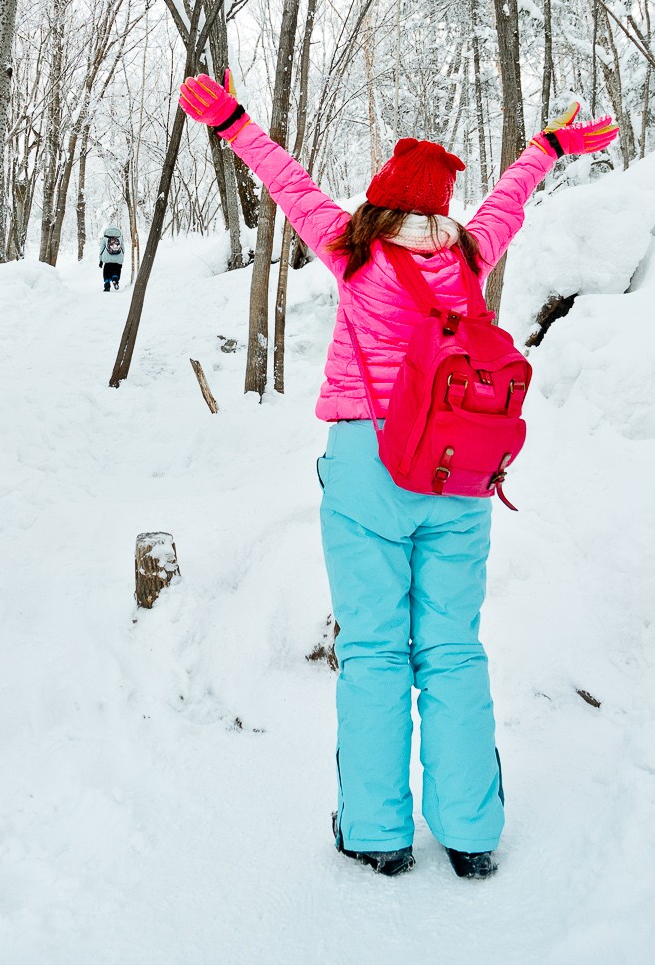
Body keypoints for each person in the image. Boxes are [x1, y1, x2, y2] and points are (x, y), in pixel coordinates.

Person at [178, 70, 617, 881]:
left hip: (367, 467)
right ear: (443, 209)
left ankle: (378, 833)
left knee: (376, 649)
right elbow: (511, 198)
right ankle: (471, 831)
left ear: (380, 203)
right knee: (451, 646)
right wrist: (549, 146)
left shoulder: (351, 251)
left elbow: (288, 180)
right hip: (457, 472)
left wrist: (234, 120)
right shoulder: (472, 254)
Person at [98, 226, 126, 291]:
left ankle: (107, 285)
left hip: (107, 259)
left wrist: (101, 260)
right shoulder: (120, 237)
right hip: (118, 258)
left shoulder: (105, 237)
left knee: (106, 270)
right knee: (117, 269)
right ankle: (115, 279)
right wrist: (122, 258)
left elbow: (101, 249)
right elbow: (123, 249)